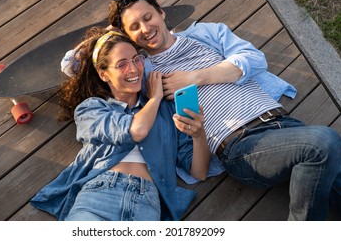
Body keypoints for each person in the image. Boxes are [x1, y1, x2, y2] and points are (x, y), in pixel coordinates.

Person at [61, 0, 341, 220]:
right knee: (324, 142)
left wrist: (193, 78)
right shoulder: (143, 69)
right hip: (240, 144)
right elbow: (71, 65)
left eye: (148, 17)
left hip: (281, 122)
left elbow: (254, 60)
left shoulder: (207, 34)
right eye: (134, 27)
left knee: (333, 163)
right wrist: (111, 32)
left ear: (162, 12)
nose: (145, 29)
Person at [31, 27, 210, 221]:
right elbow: (137, 130)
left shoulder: (166, 111)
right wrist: (155, 98)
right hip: (100, 195)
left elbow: (199, 172)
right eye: (121, 64)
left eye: (136, 59)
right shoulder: (91, 109)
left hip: (147, 202)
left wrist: (199, 136)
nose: (133, 69)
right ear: (104, 74)